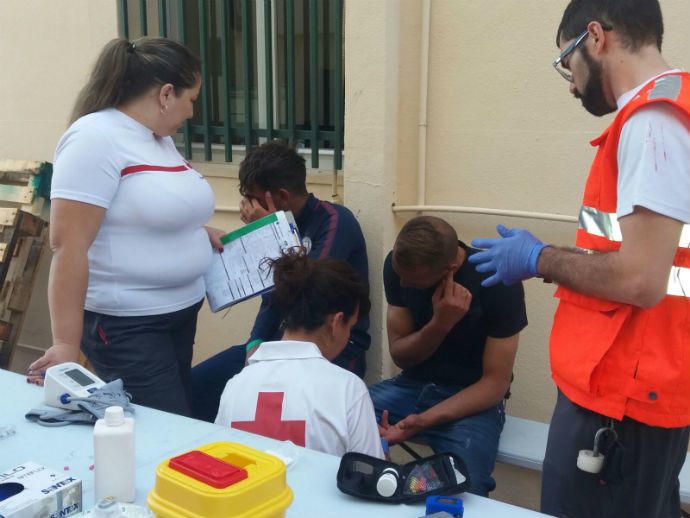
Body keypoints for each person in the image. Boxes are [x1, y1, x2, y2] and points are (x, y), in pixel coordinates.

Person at [468, 1, 690, 516]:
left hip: (622, 405)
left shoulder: (653, 122)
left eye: (567, 64)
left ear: (595, 37)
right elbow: (631, 256)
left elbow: (640, 278)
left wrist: (540, 258)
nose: (571, 85)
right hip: (638, 390)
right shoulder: (670, 107)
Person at [27, 37, 224, 417]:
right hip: (129, 327)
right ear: (166, 94)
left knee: (178, 420)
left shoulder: (156, 139)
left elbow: (148, 210)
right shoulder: (95, 139)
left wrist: (199, 233)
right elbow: (68, 246)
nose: (190, 113)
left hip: (178, 315)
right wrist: (66, 345)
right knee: (165, 431)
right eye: (191, 100)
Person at [191, 141, 370, 422]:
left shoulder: (336, 222)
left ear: (282, 197)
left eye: (252, 198)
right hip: (277, 344)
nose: (245, 208)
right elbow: (271, 296)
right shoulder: (280, 226)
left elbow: (306, 289)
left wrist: (271, 232)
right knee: (195, 387)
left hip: (331, 346)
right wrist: (255, 341)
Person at [368, 216, 527, 496]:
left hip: (472, 402)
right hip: (410, 387)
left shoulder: (497, 281)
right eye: (399, 274)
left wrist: (424, 419)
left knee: (464, 485)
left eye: (414, 281)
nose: (402, 283)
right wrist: (440, 324)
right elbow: (401, 356)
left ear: (449, 268)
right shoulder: (398, 266)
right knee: (333, 420)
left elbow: (495, 383)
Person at [215, 250, 383, 459]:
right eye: (350, 326)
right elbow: (367, 479)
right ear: (336, 322)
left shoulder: (237, 385)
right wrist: (381, 446)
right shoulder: (348, 390)